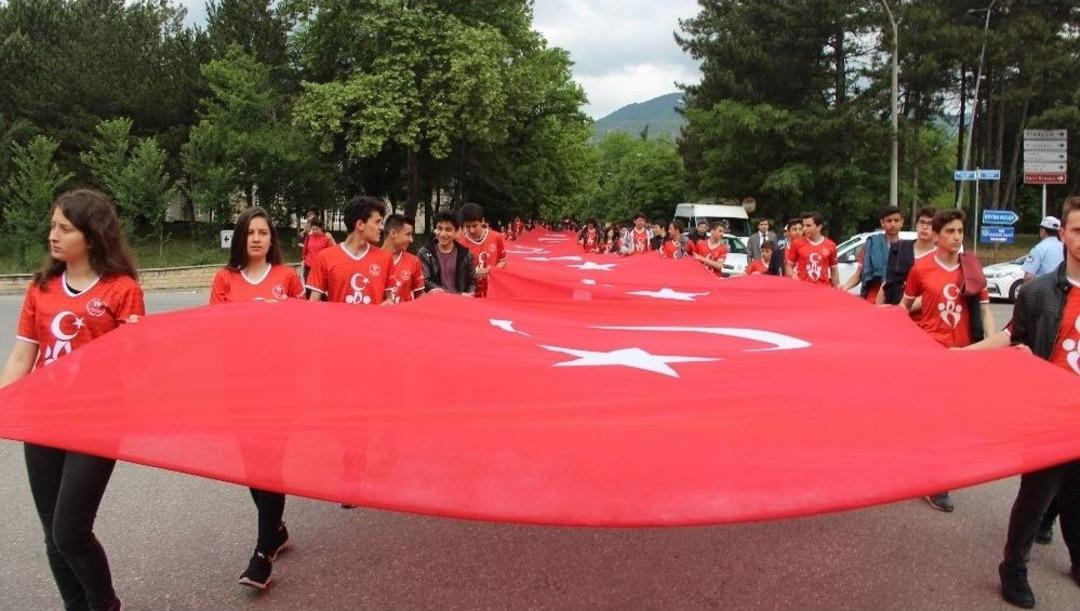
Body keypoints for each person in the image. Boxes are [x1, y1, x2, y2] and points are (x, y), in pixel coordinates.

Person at [0, 189, 144, 611]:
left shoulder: (122, 290)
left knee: (70, 533)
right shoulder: (41, 288)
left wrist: (136, 344)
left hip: (96, 424)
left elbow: (134, 373)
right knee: (52, 536)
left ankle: (105, 605)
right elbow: (22, 356)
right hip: (42, 421)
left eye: (65, 228)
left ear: (92, 235)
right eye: (52, 226)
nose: (53, 235)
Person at [971, 196, 1080, 609]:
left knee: (1077, 499)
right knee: (1035, 500)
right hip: (1050, 418)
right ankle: (1013, 568)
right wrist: (960, 356)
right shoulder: (1037, 293)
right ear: (1064, 235)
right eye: (1077, 230)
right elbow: (1014, 338)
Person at [208, 207, 301, 590]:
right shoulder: (224, 280)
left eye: (264, 232)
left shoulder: (286, 278)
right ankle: (276, 530)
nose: (258, 238)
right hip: (239, 386)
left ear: (271, 239)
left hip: (279, 387)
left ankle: (262, 555)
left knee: (270, 465)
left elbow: (304, 328)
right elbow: (213, 330)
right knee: (252, 466)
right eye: (251, 232)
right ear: (241, 238)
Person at [900, 209, 993, 514]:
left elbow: (986, 310)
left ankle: (933, 471)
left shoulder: (972, 268)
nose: (956, 237)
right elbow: (904, 307)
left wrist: (992, 348)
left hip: (962, 354)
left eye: (960, 231)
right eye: (950, 232)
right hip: (929, 354)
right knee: (934, 417)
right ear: (937, 236)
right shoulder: (921, 268)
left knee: (953, 418)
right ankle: (935, 481)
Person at [306, 196, 393, 305]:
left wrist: (387, 305)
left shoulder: (386, 258)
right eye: (378, 222)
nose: (381, 227)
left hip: (373, 322)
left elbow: (389, 300)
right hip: (338, 322)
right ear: (360, 224)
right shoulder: (325, 257)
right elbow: (313, 303)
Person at [840, 205, 904, 301]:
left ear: (902, 222)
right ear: (882, 223)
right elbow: (859, 274)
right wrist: (843, 289)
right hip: (872, 299)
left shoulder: (907, 248)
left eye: (896, 220)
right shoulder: (872, 245)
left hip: (897, 301)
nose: (893, 224)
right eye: (889, 220)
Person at [879, 206, 937, 306]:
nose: (924, 227)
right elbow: (887, 283)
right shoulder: (900, 248)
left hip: (922, 316)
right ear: (916, 225)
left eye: (930, 224)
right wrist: (878, 310)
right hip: (895, 311)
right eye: (922, 222)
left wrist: (901, 308)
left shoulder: (939, 257)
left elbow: (932, 294)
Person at [417, 212, 477, 295]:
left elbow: (472, 281)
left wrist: (470, 293)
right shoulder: (424, 253)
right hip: (435, 301)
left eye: (448, 230)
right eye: (439, 228)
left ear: (456, 231)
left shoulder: (465, 254)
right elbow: (424, 280)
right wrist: (444, 294)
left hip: (460, 301)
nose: (442, 234)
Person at [457, 203, 507, 298]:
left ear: (482, 221)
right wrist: (473, 273)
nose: (471, 230)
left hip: (493, 291)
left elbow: (503, 261)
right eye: (467, 227)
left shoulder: (496, 237)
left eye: (475, 226)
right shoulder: (460, 243)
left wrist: (492, 270)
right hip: (471, 293)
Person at [785, 211, 838, 287]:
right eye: (804, 225)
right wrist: (795, 278)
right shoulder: (797, 243)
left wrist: (837, 287)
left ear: (819, 227)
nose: (804, 229)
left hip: (823, 290)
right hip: (803, 290)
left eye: (808, 226)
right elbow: (788, 267)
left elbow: (834, 270)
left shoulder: (831, 245)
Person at [381, 215, 425, 303]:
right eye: (408, 234)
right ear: (393, 233)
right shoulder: (371, 259)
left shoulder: (414, 261)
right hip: (379, 315)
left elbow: (419, 295)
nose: (411, 240)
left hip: (404, 315)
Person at [1022, 216, 1064, 283]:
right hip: (1063, 290)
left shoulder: (1039, 249)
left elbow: (1028, 277)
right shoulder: (1065, 247)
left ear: (1043, 231)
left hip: (1043, 291)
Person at [300, 218, 335, 285]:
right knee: (308, 288)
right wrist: (304, 259)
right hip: (309, 267)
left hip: (320, 268)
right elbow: (305, 249)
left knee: (318, 290)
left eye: (317, 229)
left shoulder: (326, 238)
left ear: (321, 228)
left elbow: (330, 254)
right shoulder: (309, 237)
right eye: (313, 229)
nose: (315, 231)